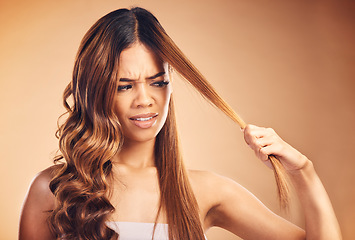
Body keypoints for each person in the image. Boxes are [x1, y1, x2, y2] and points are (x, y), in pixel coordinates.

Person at [19, 7, 342, 240]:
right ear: (96, 88)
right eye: (124, 85)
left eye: (158, 82)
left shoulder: (207, 191)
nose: (145, 99)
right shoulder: (52, 191)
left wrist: (304, 172)